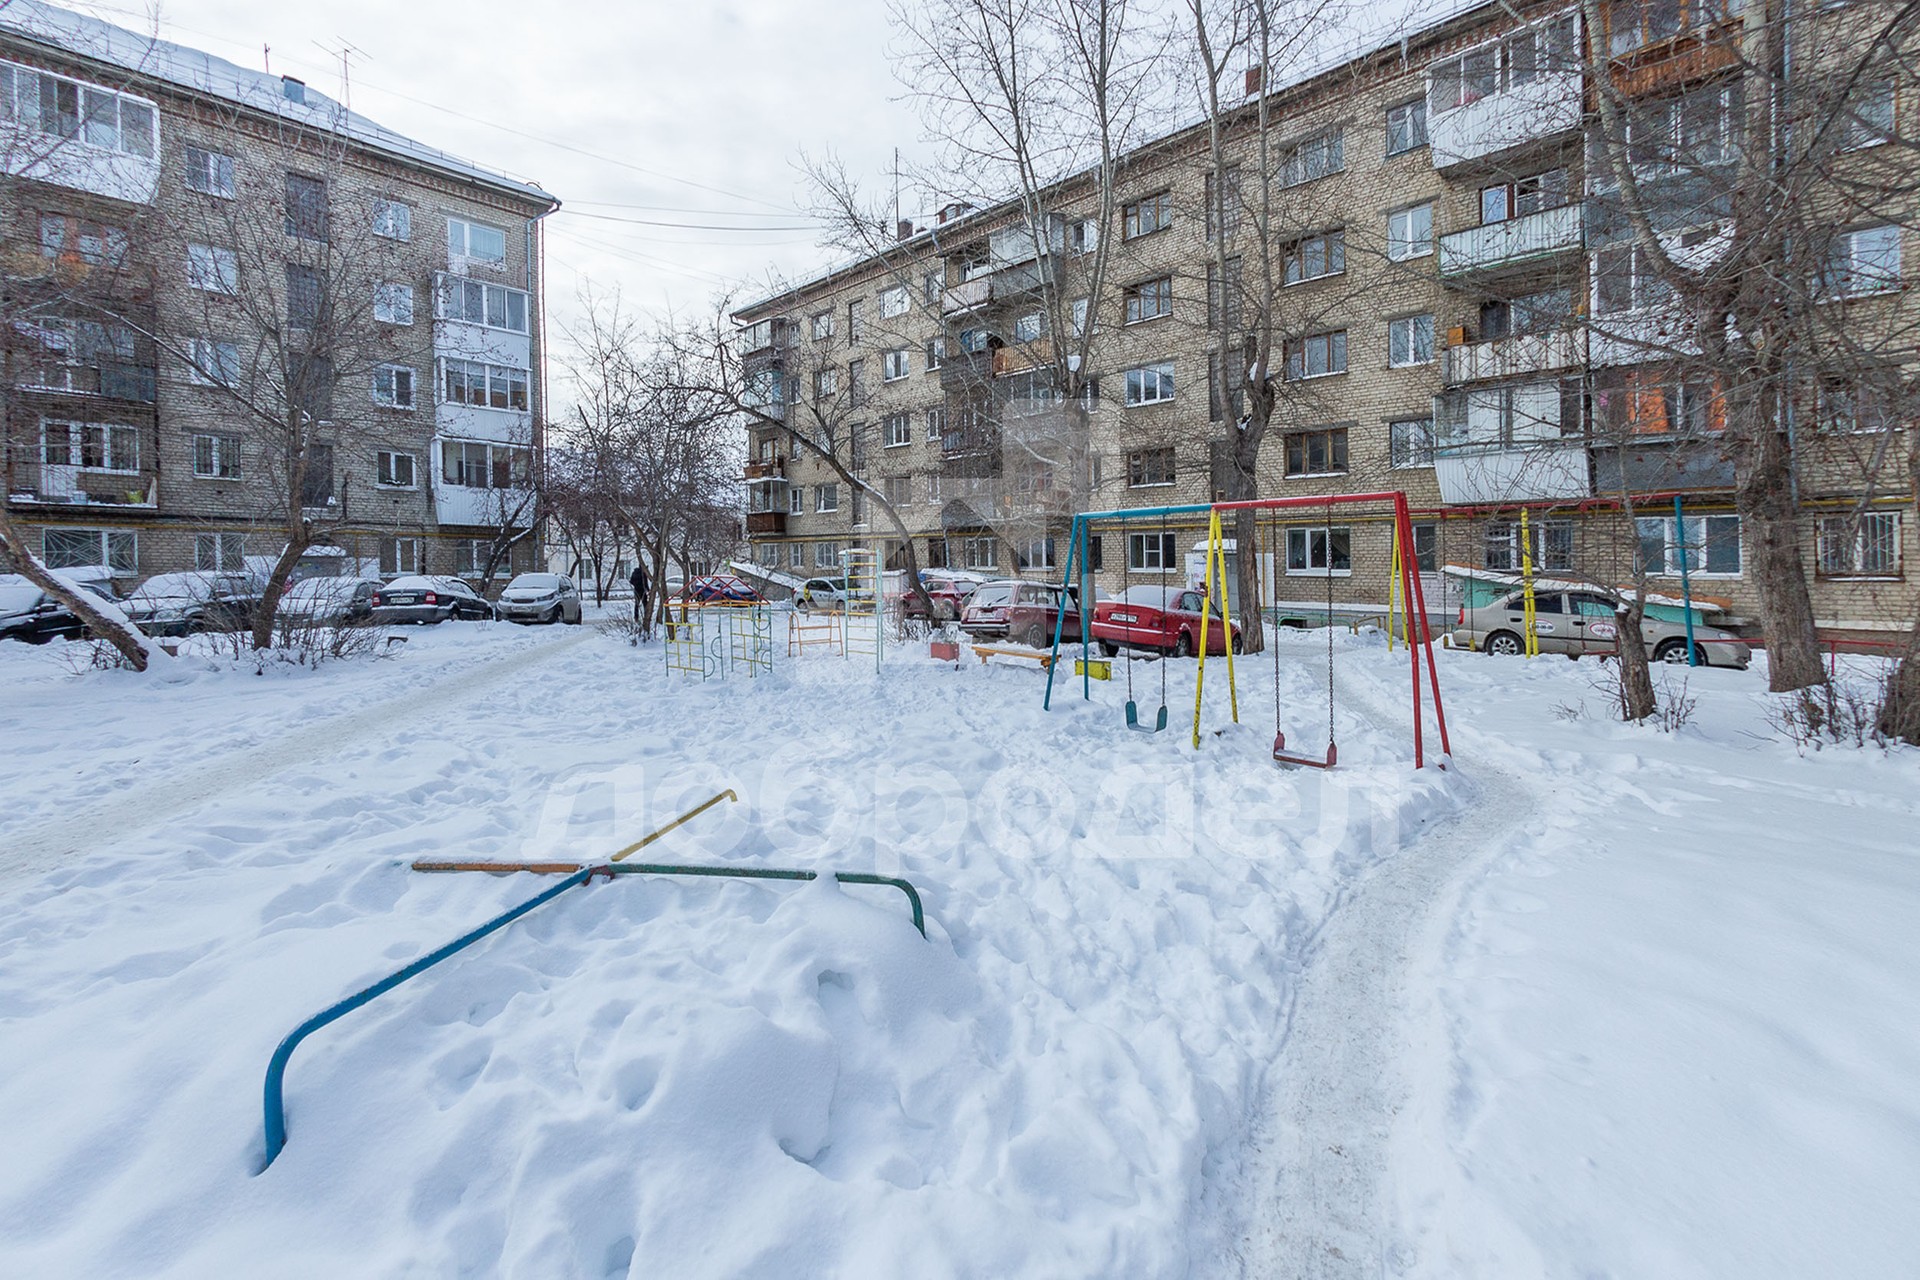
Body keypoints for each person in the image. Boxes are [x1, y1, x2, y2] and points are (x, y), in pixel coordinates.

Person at [628, 560, 651, 640]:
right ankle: (645, 615)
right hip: (643, 591)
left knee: (637, 605)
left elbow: (631, 581)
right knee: (645, 604)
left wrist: (635, 585)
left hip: (636, 590)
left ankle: (636, 616)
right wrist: (648, 590)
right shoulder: (643, 574)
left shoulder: (635, 572)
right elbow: (646, 583)